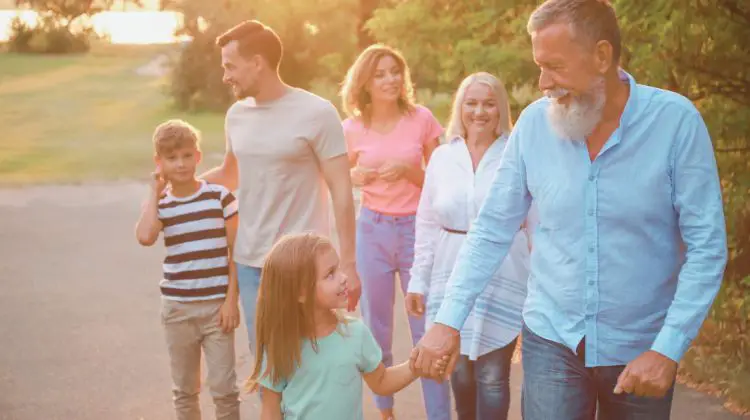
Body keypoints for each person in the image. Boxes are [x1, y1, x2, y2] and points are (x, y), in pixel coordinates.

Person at [411, 1, 728, 419]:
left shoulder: (676, 124)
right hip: (551, 340)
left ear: (601, 56)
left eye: (555, 66)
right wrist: (448, 320)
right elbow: (490, 229)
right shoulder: (533, 126)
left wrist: (668, 348)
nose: (543, 82)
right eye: (539, 66)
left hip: (641, 347)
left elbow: (707, 247)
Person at [202, 20, 361, 352]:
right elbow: (231, 176)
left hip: (302, 267)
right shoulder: (236, 115)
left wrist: (348, 264)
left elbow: (342, 192)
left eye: (230, 66)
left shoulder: (317, 113)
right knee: (266, 370)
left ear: (257, 62)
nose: (225, 75)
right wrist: (177, 187)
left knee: (308, 366)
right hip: (250, 264)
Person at [406, 72, 535, 420]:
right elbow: (427, 223)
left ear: (501, 108)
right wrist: (418, 279)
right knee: (459, 372)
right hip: (449, 269)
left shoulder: (515, 154)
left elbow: (535, 222)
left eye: (489, 104)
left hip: (504, 268)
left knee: (493, 376)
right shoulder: (443, 158)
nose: (480, 112)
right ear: (460, 108)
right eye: (472, 103)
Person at [340, 44, 449, 420]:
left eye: (395, 71)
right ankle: (385, 412)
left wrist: (407, 172)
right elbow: (336, 179)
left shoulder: (422, 119)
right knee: (378, 329)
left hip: (418, 231)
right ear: (365, 83)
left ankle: (438, 415)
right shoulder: (351, 128)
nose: (390, 79)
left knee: (429, 331)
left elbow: (443, 185)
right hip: (373, 230)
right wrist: (354, 176)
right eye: (380, 74)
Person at [247, 233, 447, 420]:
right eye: (330, 274)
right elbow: (270, 410)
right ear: (300, 293)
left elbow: (381, 381)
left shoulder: (355, 333)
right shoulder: (281, 344)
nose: (343, 278)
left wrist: (414, 367)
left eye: (338, 269)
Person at [135, 119, 241, 420]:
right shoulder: (162, 205)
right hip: (178, 310)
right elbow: (145, 236)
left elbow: (237, 252)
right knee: (185, 390)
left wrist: (230, 300)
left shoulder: (220, 197)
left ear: (197, 156)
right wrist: (154, 193)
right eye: (171, 158)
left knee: (224, 390)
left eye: (186, 156)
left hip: (216, 311)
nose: (180, 164)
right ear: (160, 163)